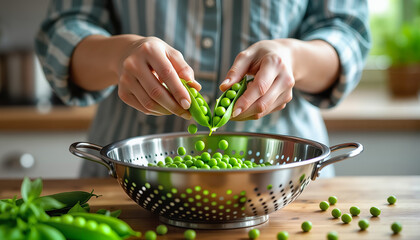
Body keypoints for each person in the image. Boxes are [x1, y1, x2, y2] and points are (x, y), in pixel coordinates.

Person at [35, 0, 370, 177]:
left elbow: (347, 32)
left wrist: (294, 59)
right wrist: (119, 55)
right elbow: (61, 32)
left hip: (285, 179)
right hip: (130, 179)